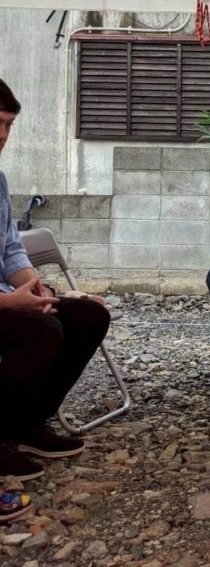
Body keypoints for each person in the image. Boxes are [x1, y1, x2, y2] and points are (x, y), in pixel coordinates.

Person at [0, 79, 111, 481]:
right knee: (39, 329)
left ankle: (27, 423)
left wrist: (35, 287)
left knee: (87, 315)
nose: (3, 134)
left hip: (8, 297)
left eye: (10, 124)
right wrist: (12, 302)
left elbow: (11, 250)